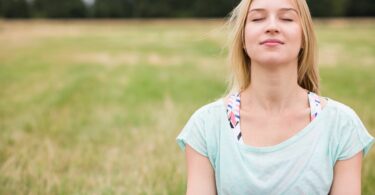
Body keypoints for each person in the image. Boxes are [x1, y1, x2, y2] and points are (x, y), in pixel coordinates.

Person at [176, 0, 374, 194]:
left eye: (287, 19)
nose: (272, 26)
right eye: (258, 19)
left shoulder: (342, 127)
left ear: (304, 36)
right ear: (243, 38)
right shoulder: (206, 127)